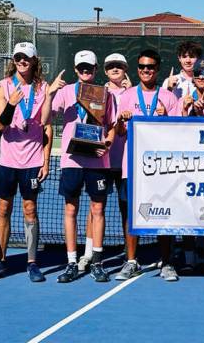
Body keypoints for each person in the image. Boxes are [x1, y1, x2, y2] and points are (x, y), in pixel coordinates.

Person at [42, 50, 116, 283]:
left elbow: (112, 125)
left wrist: (108, 142)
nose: (85, 71)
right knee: (71, 211)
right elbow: (45, 120)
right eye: (81, 68)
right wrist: (50, 94)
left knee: (98, 211)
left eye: (89, 68)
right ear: (76, 70)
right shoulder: (64, 92)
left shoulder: (106, 94)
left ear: (95, 70)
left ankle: (97, 262)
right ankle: (72, 262)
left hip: (97, 159)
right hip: (71, 161)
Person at [0, 42, 52, 283]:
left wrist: (45, 161)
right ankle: (1, 261)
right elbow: (1, 125)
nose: (22, 61)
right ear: (14, 60)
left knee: (30, 209)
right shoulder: (2, 87)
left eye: (26, 57)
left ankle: (32, 262)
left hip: (32, 160)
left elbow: (46, 125)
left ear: (34, 60)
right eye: (18, 57)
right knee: (3, 209)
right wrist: (12, 103)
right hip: (7, 160)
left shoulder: (43, 88)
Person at [115, 49, 180, 282]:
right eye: (142, 67)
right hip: (131, 165)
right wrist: (122, 121)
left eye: (150, 67)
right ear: (137, 69)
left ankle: (166, 261)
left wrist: (165, 120)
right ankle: (131, 261)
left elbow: (177, 135)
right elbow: (119, 132)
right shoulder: (127, 96)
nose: (146, 71)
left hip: (161, 168)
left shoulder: (170, 98)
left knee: (164, 213)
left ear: (157, 69)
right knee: (132, 214)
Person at [78, 52, 132, 273]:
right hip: (102, 159)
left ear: (125, 69)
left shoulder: (134, 93)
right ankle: (88, 253)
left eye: (119, 66)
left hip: (126, 160)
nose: (115, 69)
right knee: (95, 209)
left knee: (126, 209)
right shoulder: (97, 92)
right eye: (111, 66)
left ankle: (130, 256)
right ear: (105, 70)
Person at [178, 57, 204, 274]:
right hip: (190, 166)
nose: (202, 78)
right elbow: (177, 133)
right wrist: (185, 112)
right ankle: (189, 259)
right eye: (199, 74)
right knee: (189, 211)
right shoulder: (183, 99)